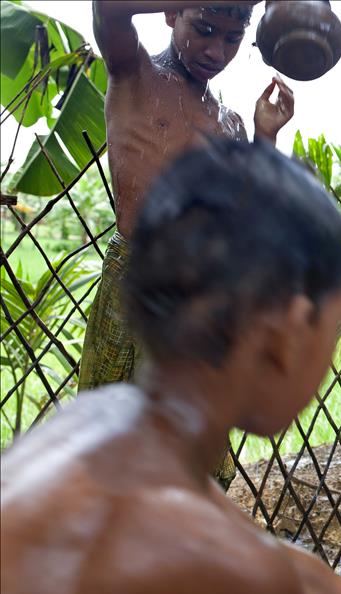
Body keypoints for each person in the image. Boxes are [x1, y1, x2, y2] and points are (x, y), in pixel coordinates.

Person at [0, 140, 341, 594]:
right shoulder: (245, 584)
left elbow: (275, 561)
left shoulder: (94, 418)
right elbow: (258, 574)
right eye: (334, 330)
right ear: (287, 335)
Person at [79, 0, 295, 488]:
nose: (215, 50)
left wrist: (265, 136)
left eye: (231, 38)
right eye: (204, 28)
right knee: (110, 447)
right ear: (171, 14)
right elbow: (109, 7)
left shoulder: (231, 123)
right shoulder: (133, 73)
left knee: (187, 463)